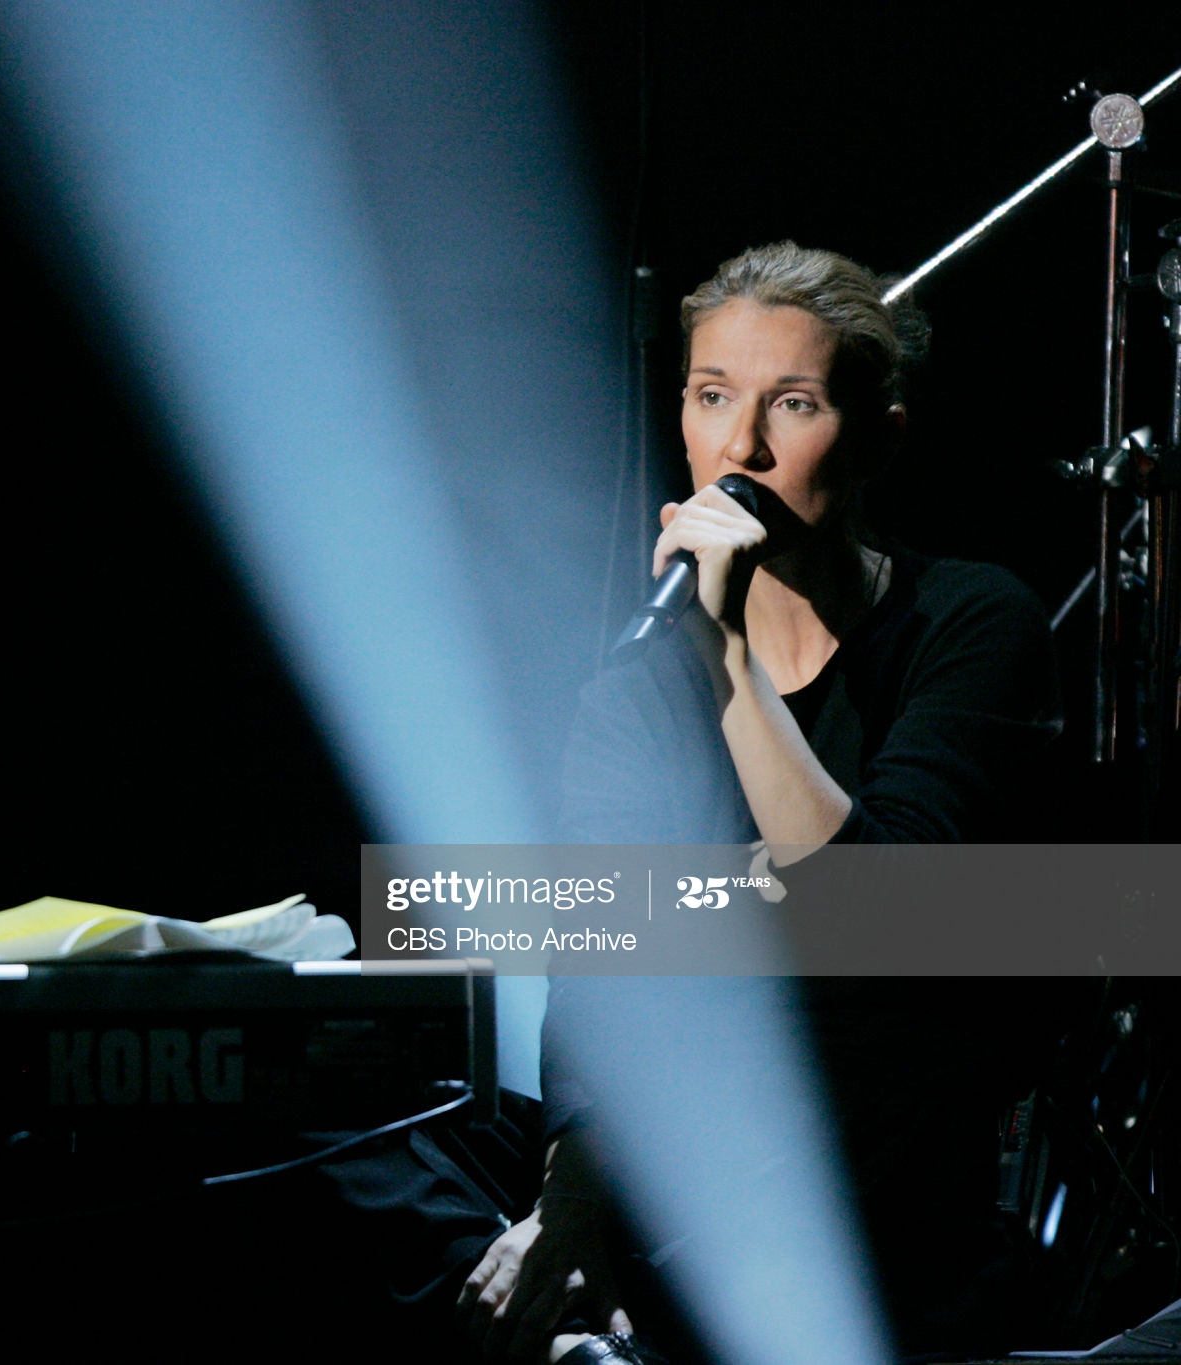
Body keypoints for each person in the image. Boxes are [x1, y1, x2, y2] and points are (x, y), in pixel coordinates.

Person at [455, 243, 1065, 1361]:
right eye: (711, 397)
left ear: (878, 435)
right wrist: (573, 1202)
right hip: (676, 1170)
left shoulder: (971, 624)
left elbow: (876, 923)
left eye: (792, 404)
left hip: (882, 1187)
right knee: (391, 1165)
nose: (740, 448)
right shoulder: (636, 692)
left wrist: (725, 651)